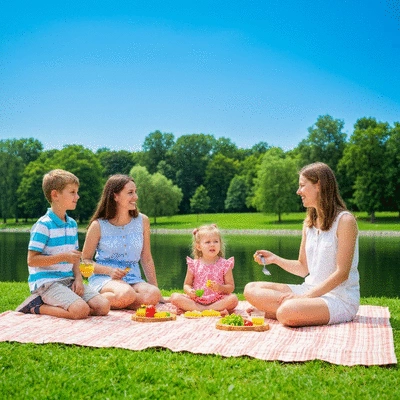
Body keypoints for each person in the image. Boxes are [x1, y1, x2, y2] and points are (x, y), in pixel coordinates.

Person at [244, 162, 360, 327]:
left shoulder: (345, 221)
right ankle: (289, 311)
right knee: (251, 288)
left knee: (287, 311)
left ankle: (275, 312)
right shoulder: (309, 223)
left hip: (338, 298)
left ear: (318, 185)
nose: (298, 191)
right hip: (308, 290)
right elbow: (302, 267)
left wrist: (304, 298)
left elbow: (342, 273)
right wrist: (275, 259)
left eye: (302, 186)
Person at [16, 169, 110, 319]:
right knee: (80, 311)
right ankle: (36, 306)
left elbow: (74, 258)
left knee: (103, 306)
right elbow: (32, 260)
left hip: (69, 280)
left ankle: (74, 307)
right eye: (72, 192)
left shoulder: (71, 224)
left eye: (77, 192)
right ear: (55, 195)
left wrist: (78, 279)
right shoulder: (43, 225)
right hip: (47, 283)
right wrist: (62, 257)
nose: (77, 196)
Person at [81, 174, 162, 309]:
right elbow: (84, 263)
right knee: (126, 293)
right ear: (115, 196)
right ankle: (95, 299)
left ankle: (118, 301)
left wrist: (156, 290)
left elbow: (146, 258)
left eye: (135, 192)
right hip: (105, 279)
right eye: (130, 192)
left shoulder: (143, 221)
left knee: (153, 294)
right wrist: (109, 271)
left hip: (133, 278)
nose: (135, 197)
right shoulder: (98, 226)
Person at [170, 224, 238, 314]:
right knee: (174, 297)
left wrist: (220, 287)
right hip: (197, 300)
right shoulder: (194, 264)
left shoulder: (225, 264)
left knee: (233, 299)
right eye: (208, 242)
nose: (212, 245)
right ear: (199, 246)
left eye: (216, 241)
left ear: (220, 244)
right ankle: (208, 310)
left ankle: (201, 309)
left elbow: (231, 287)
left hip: (217, 300)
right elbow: (187, 284)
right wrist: (190, 291)